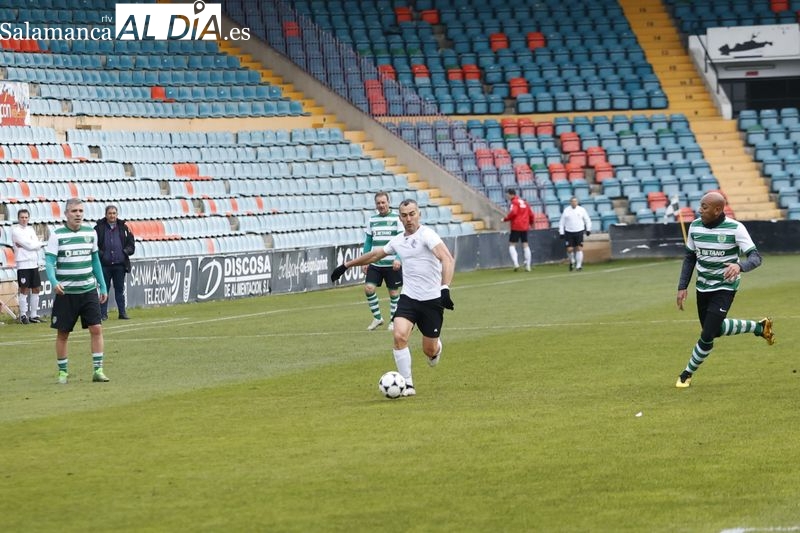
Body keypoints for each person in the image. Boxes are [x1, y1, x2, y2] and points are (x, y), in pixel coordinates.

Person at [331, 199, 455, 397]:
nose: (409, 219)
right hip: (409, 298)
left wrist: (445, 288)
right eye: (404, 215)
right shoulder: (398, 240)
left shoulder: (427, 235)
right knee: (399, 336)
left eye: (412, 214)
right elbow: (374, 255)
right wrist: (346, 266)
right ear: (400, 218)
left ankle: (437, 348)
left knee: (429, 349)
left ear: (419, 214)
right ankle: (407, 384)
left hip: (432, 300)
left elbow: (447, 258)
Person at [675, 191, 775, 389]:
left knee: (707, 335)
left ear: (718, 209)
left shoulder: (736, 229)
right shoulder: (695, 227)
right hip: (702, 286)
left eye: (704, 207)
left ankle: (686, 374)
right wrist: (682, 286)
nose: (699, 210)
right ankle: (759, 327)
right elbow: (690, 258)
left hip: (725, 287)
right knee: (715, 329)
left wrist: (740, 266)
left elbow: (756, 257)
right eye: (700, 206)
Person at [45, 198, 110, 385]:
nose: (78, 214)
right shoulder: (57, 235)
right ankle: (63, 372)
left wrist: (102, 285)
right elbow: (49, 262)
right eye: (74, 211)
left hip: (88, 290)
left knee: (96, 328)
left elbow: (95, 260)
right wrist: (54, 281)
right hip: (66, 293)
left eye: (81, 211)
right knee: (63, 333)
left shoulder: (91, 233)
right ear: (66, 214)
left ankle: (98, 370)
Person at [362, 191, 404, 331]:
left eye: (383, 202)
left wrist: (398, 258)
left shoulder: (397, 219)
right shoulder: (372, 220)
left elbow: (401, 241)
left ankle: (393, 321)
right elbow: (368, 242)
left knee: (393, 293)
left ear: (388, 202)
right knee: (369, 288)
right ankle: (377, 318)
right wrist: (365, 260)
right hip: (375, 262)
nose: (381, 205)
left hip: (392, 263)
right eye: (378, 203)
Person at [94, 204, 135, 320]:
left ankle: (122, 313)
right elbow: (93, 245)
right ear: (105, 215)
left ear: (117, 214)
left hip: (119, 265)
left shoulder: (124, 228)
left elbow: (131, 244)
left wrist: (125, 252)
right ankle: (103, 314)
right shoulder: (98, 228)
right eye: (109, 213)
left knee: (119, 290)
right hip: (104, 265)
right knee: (104, 289)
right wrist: (102, 255)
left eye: (114, 213)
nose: (112, 215)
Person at [11, 209, 45, 324]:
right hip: (23, 263)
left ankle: (34, 315)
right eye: (22, 217)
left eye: (26, 217)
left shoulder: (30, 229)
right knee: (24, 289)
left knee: (36, 288)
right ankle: (23, 315)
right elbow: (30, 246)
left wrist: (33, 245)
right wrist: (34, 245)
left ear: (29, 218)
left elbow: (33, 244)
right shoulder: (15, 231)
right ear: (18, 218)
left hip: (33, 262)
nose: (24, 219)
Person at [503, 188, 534, 272]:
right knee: (525, 245)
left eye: (507, 194)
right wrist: (531, 223)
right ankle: (528, 266)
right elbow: (531, 214)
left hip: (516, 226)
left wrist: (505, 219)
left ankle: (516, 263)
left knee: (512, 245)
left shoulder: (514, 202)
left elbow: (514, 212)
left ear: (511, 194)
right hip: (524, 226)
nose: (507, 196)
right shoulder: (524, 202)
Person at [558, 196, 592, 271]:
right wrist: (561, 232)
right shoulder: (566, 210)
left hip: (579, 231)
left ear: (577, 202)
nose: (574, 203)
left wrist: (588, 229)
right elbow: (562, 222)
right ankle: (572, 260)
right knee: (569, 249)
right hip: (569, 231)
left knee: (579, 248)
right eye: (572, 201)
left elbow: (587, 219)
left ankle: (578, 265)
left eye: (575, 201)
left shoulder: (581, 210)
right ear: (570, 202)